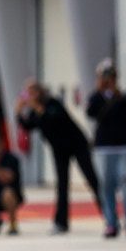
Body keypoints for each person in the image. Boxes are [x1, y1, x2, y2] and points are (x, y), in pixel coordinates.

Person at [17, 80, 100, 234]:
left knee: (91, 178)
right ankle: (61, 222)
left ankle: (108, 214)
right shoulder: (34, 112)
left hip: (76, 144)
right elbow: (27, 125)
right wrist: (19, 112)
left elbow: (53, 118)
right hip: (59, 150)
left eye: (32, 92)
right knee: (62, 185)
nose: (30, 96)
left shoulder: (52, 103)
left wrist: (35, 106)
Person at [86, 60, 126, 239]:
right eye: (104, 77)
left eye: (110, 77)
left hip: (123, 147)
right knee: (106, 187)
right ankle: (111, 223)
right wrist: (101, 92)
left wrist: (116, 95)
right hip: (104, 148)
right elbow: (92, 113)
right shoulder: (96, 98)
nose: (108, 80)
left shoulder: (125, 96)